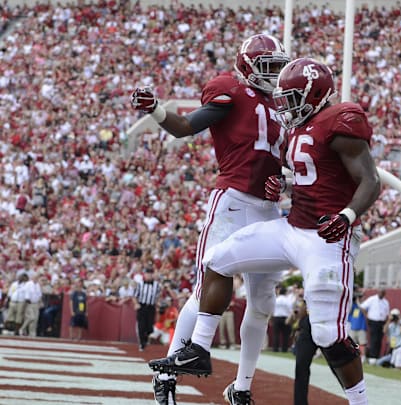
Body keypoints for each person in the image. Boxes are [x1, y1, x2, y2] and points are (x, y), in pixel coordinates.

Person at [148, 57, 381, 405]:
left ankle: (360, 402)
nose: (284, 106)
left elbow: (370, 181)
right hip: (290, 228)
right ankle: (197, 348)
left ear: (314, 95)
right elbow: (309, 176)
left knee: (327, 334)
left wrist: (347, 215)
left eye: (291, 99)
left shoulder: (339, 120)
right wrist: (281, 184)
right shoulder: (299, 127)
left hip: (326, 237)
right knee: (218, 260)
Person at [134, 34, 289, 405]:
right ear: (248, 65)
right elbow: (186, 127)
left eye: (277, 67)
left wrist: (284, 182)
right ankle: (168, 376)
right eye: (267, 67)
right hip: (233, 201)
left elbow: (283, 159)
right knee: (208, 286)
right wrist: (156, 109)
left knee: (263, 301)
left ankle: (242, 387)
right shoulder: (229, 90)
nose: (275, 75)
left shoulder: (281, 106)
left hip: (268, 209)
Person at [133, 268, 160, 351]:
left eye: (150, 274)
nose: (149, 275)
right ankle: (142, 344)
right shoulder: (140, 284)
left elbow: (157, 296)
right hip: (142, 307)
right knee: (141, 326)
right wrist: (136, 304)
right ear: (144, 275)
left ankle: (144, 339)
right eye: (147, 273)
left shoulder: (156, 285)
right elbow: (134, 296)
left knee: (150, 328)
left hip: (151, 307)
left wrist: (157, 305)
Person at [360, 288, 390, 365]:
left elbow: (387, 314)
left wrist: (386, 323)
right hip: (373, 321)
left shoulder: (385, 302)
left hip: (381, 322)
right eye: (380, 292)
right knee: (373, 339)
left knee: (379, 339)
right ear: (378, 292)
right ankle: (372, 357)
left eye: (383, 293)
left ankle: (377, 356)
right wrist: (367, 315)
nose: (381, 294)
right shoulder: (372, 299)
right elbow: (362, 306)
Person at [347, 287, 368, 363]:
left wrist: (359, 302)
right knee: (353, 344)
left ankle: (363, 357)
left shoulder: (364, 305)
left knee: (362, 343)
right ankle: (354, 356)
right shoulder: (354, 306)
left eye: (360, 297)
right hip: (353, 327)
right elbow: (348, 312)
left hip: (361, 328)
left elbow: (365, 313)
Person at [272, 285, 293, 352]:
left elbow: (272, 309)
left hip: (276, 317)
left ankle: (275, 348)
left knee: (276, 334)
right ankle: (284, 349)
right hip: (285, 318)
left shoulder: (276, 300)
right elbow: (290, 310)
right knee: (285, 335)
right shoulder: (287, 300)